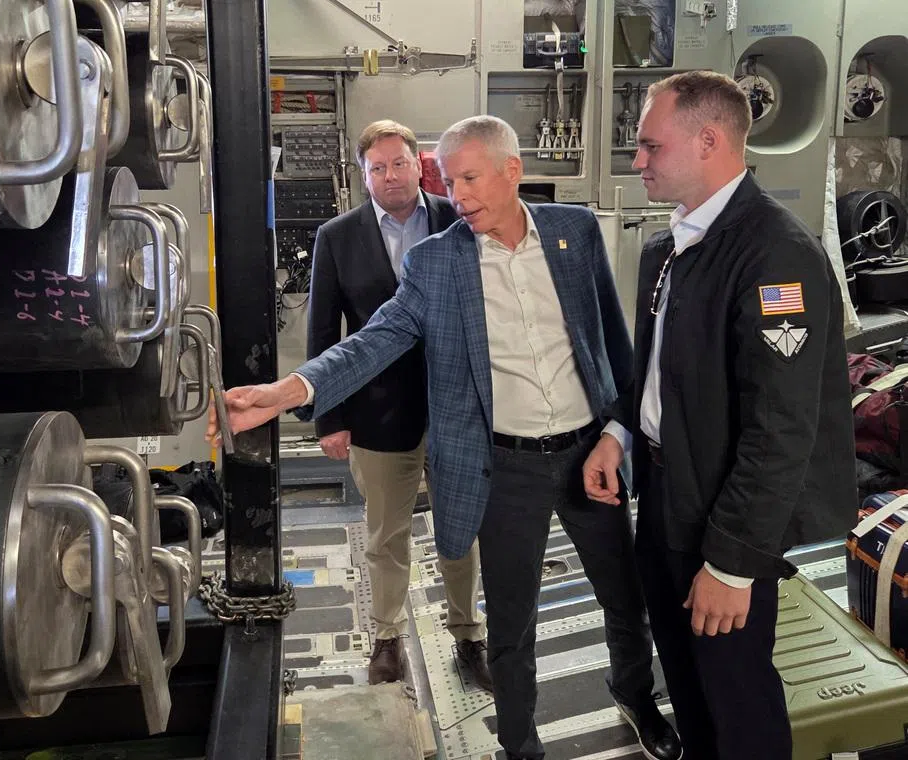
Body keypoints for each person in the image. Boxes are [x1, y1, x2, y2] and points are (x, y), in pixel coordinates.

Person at [210, 115, 681, 760]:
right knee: (511, 629)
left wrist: (622, 434)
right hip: (505, 468)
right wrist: (284, 392)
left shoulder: (575, 233)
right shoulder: (438, 262)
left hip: (589, 455)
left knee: (627, 603)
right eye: (450, 181)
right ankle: (520, 744)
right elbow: (371, 341)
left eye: (469, 178)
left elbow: (613, 345)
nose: (456, 196)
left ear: (512, 170)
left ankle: (635, 695)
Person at [582, 71, 856, 760]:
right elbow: (660, 375)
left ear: (707, 141)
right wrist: (619, 431)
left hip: (723, 518)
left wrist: (733, 565)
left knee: (739, 705)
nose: (636, 161)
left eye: (649, 146)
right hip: (665, 498)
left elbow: (782, 428)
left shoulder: (774, 255)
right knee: (690, 687)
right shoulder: (667, 249)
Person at [307, 119, 489, 688]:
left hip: (455, 406)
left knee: (462, 529)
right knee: (386, 535)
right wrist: (328, 417)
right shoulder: (337, 237)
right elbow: (323, 330)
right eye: (377, 168)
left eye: (399, 163)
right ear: (364, 177)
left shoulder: (458, 219)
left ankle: (469, 636)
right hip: (377, 414)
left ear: (419, 164)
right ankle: (386, 638)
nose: (390, 176)